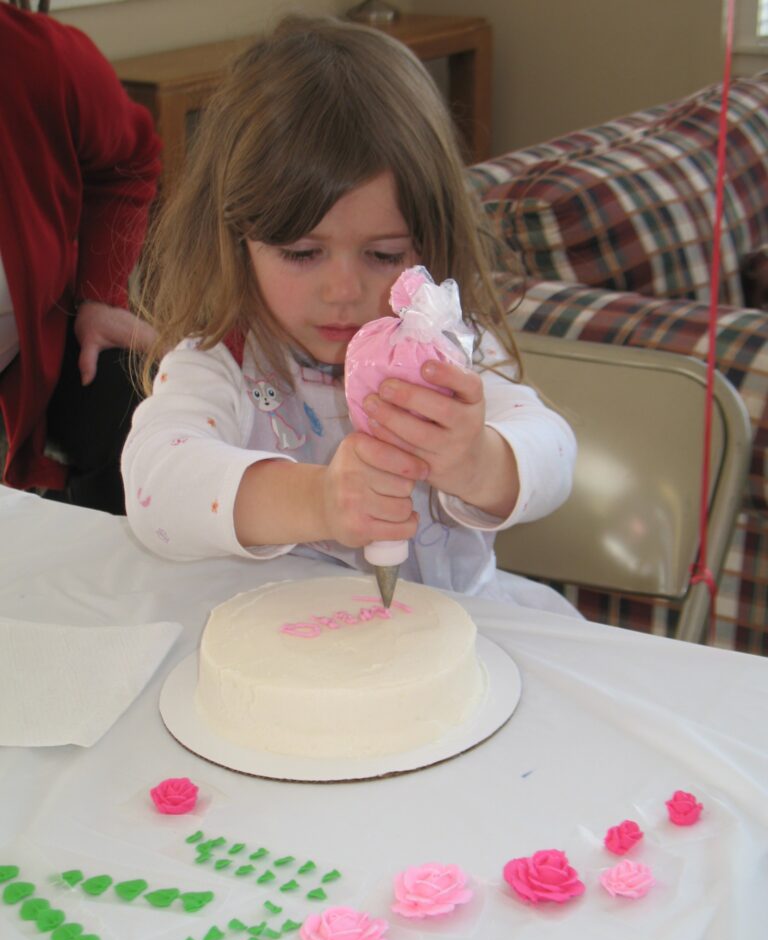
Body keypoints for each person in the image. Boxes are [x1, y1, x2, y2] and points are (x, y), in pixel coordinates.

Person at [123, 15, 577, 611]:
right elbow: (155, 485)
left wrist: (476, 461)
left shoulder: (448, 351)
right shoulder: (223, 358)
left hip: (458, 631)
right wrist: (317, 501)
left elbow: (555, 453)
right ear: (237, 240)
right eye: (302, 253)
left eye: (384, 254)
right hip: (288, 644)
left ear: (429, 239)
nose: (343, 290)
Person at [0, 4, 161, 514]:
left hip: (33, 346)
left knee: (139, 409)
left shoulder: (36, 58)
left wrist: (100, 294)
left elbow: (129, 161)